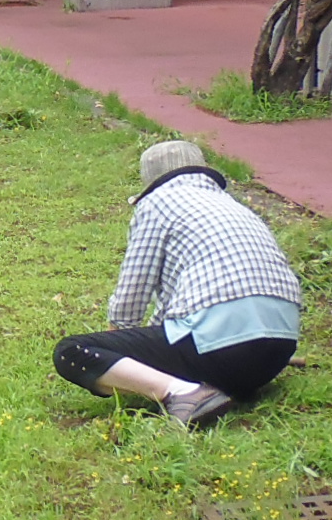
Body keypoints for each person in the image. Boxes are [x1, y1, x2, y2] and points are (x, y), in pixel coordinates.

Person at [54, 140, 302, 428]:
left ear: (150, 184)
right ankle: (201, 386)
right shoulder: (232, 205)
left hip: (218, 345)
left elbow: (131, 299)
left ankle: (184, 394)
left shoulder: (157, 203)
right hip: (277, 350)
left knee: (72, 352)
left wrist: (117, 352)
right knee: (191, 346)